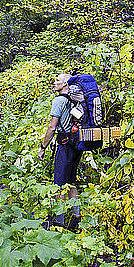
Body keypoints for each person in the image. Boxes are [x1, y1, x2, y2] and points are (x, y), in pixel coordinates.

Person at [38, 73, 81, 227]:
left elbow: (52, 127)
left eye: (57, 80)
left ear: (65, 84)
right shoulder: (75, 100)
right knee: (71, 182)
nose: (54, 82)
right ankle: (77, 217)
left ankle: (59, 221)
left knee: (60, 185)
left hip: (64, 145)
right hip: (77, 145)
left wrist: (43, 147)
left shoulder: (59, 100)